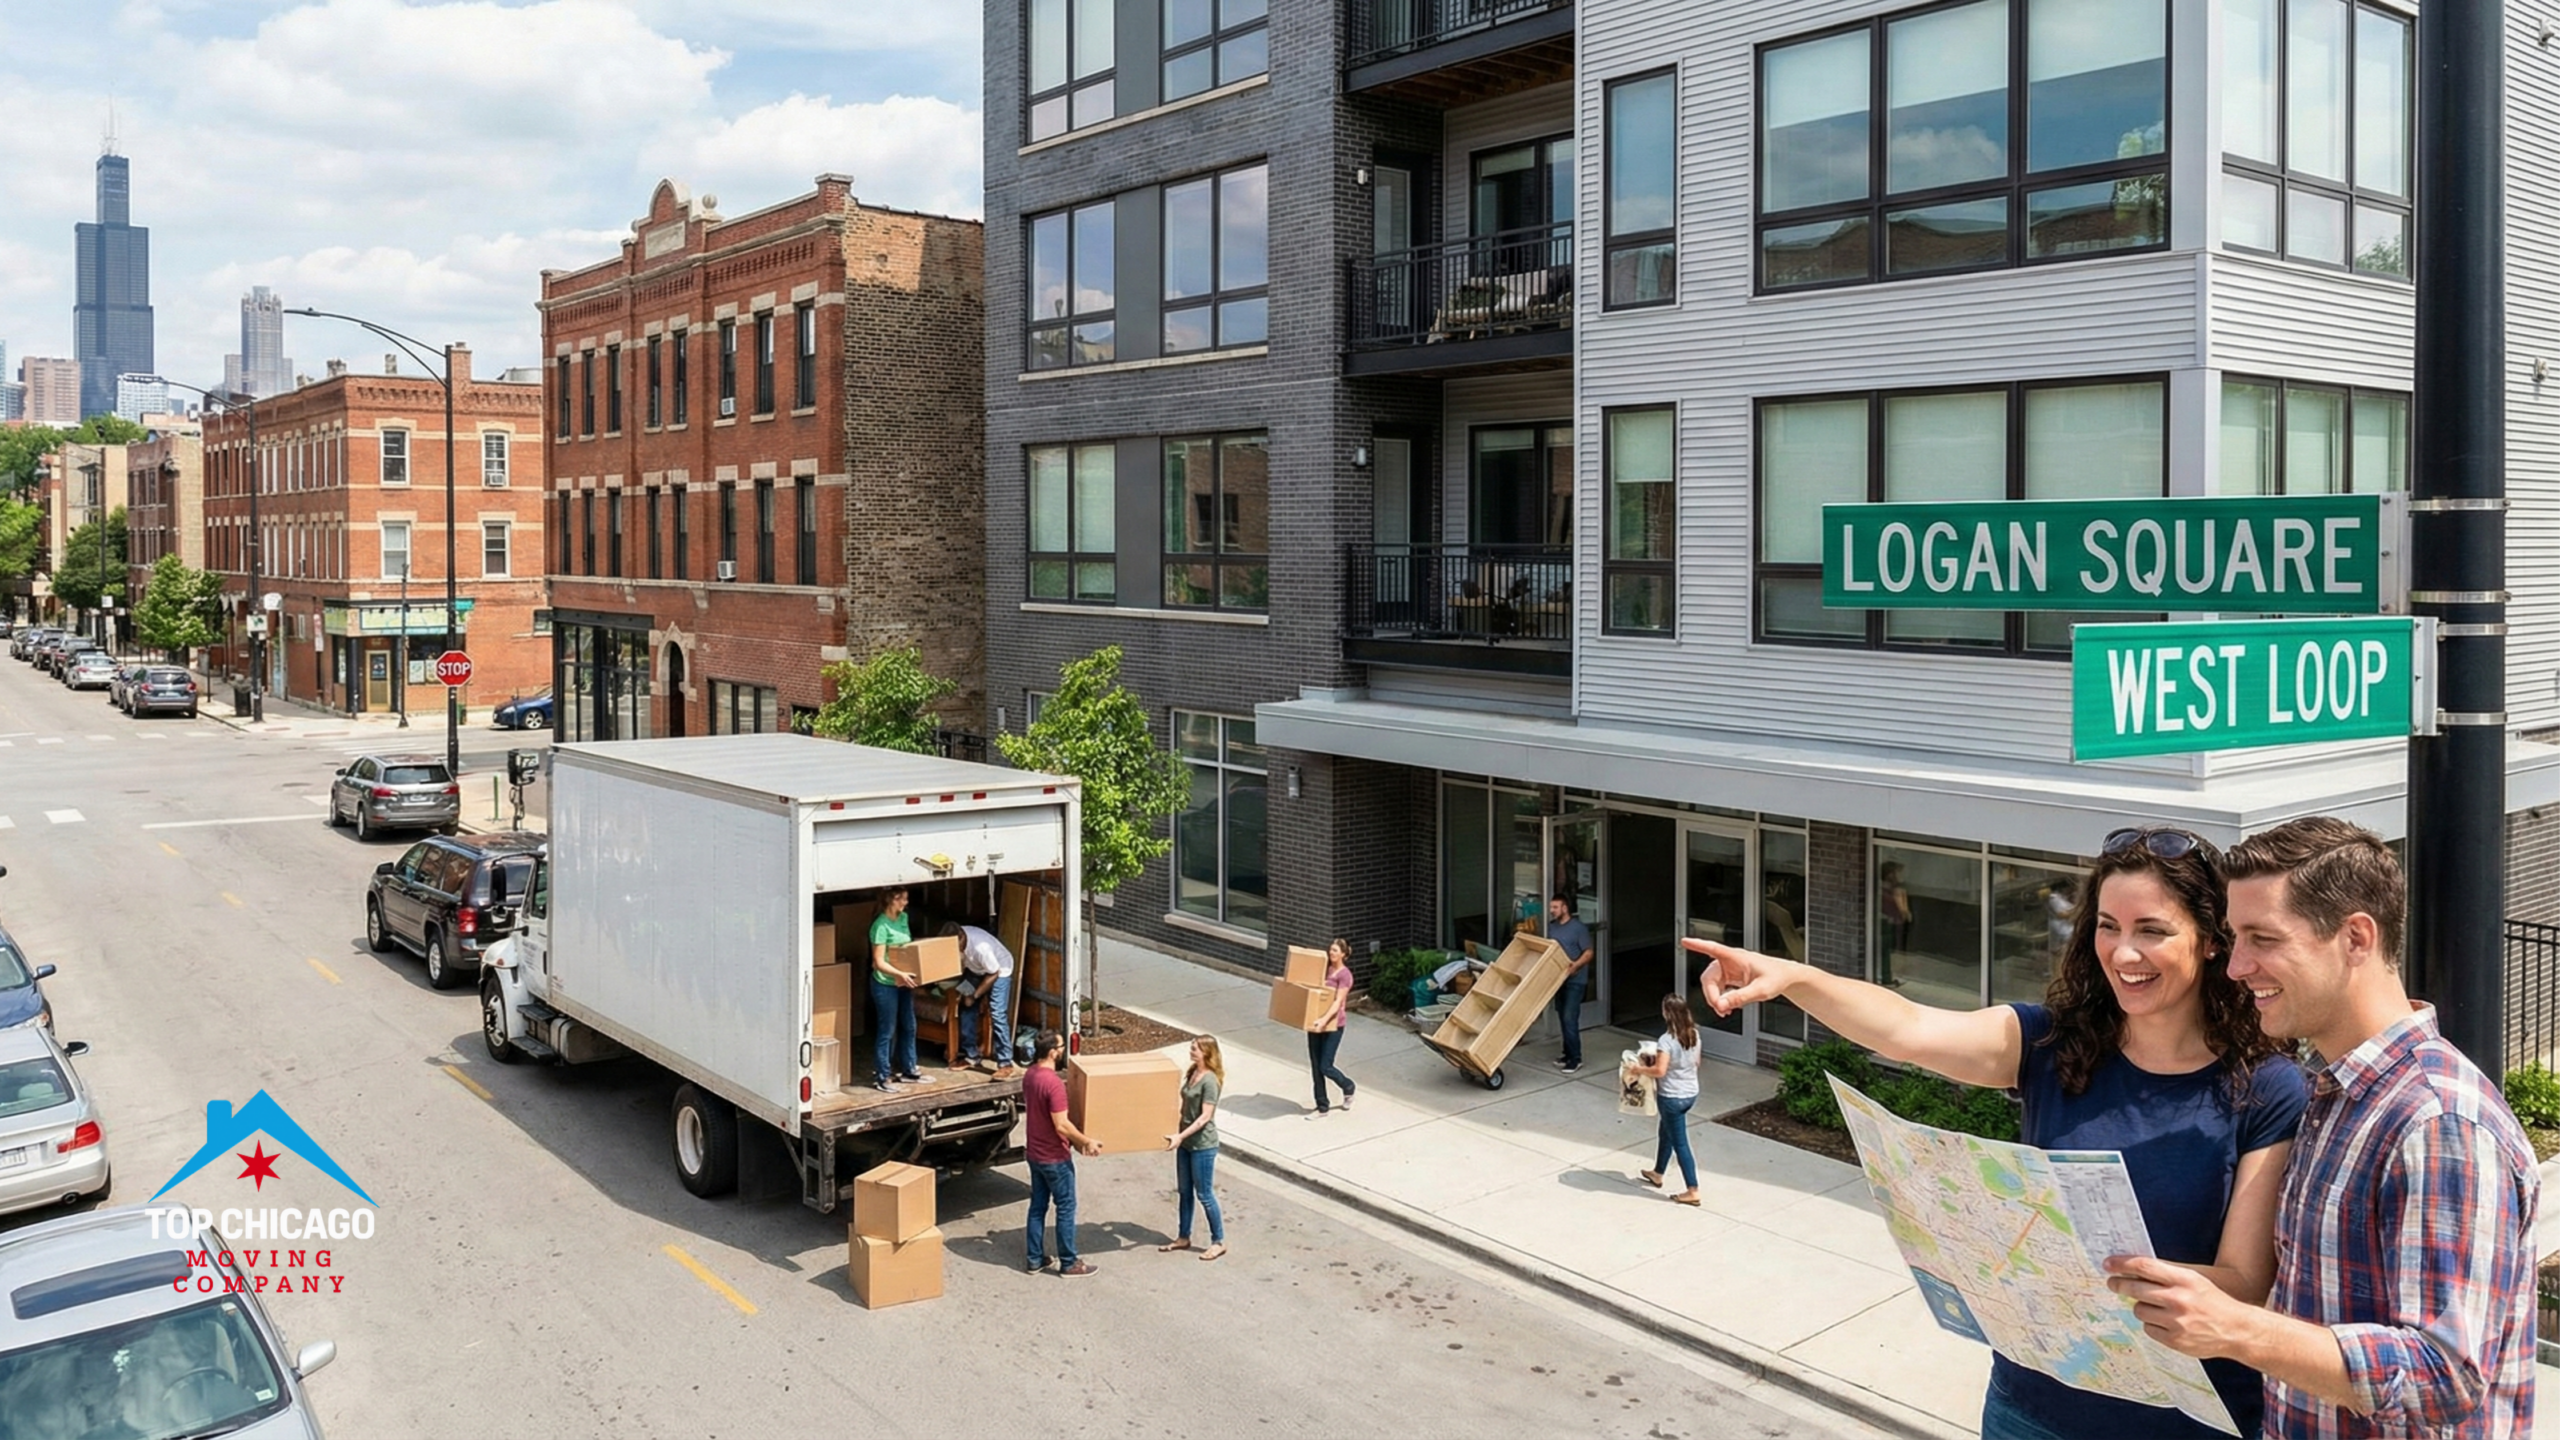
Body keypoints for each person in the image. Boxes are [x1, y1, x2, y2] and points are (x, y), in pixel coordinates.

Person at [1691, 827, 2308, 1440]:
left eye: (2152, 930)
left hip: (2183, 1424)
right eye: (2108, 926)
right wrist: (1793, 978)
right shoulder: (2051, 1043)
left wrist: (2098, 1279)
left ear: (2207, 941)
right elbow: (1907, 1029)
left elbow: (2244, 1283)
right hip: (2028, 1409)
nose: (2123, 953)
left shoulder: (2267, 1088)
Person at [2105, 818, 2539, 1440]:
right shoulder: (2334, 1090)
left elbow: (2445, 1374)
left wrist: (2236, 1329)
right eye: (2233, 937)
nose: (2236, 966)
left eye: (2262, 938)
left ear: (2355, 936)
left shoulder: (2439, 1122)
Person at [1022, 1029, 1101, 1276]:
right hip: (1054, 1157)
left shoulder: (1030, 1074)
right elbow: (1062, 1125)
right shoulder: (1053, 1083)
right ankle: (1069, 1262)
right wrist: (1086, 1141)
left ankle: (1034, 1259)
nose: (1063, 1050)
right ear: (1053, 1052)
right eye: (1061, 1046)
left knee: (1037, 1206)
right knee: (1066, 1207)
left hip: (1034, 1153)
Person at [1631, 995, 1703, 1207]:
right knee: (1666, 1132)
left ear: (1667, 1013)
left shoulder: (1667, 1040)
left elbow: (1660, 1071)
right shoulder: (1694, 1034)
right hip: (1690, 1093)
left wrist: (1639, 1069)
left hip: (1672, 1097)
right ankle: (1657, 1172)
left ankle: (1693, 1190)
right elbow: (1696, 1062)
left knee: (1680, 1144)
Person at [1162, 1035, 1228, 1261]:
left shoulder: (1210, 1081)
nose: (1192, 1051)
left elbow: (1204, 1118)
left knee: (1205, 1194)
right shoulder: (1192, 1073)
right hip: (1185, 1142)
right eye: (1192, 1047)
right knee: (1184, 1192)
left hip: (1202, 1145)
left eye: (1196, 1048)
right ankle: (1183, 1236)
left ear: (1207, 1052)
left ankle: (1218, 1241)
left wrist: (1180, 1136)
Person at [944, 920, 1018, 1077]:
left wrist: (975, 995)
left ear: (961, 938)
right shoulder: (951, 940)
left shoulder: (980, 948)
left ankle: (1005, 1062)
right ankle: (972, 1055)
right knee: (965, 1006)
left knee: (997, 1013)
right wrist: (964, 992)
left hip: (999, 970)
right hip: (975, 970)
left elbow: (994, 972)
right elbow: (961, 967)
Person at [867, 888, 921, 1092]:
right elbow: (878, 962)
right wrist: (899, 974)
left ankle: (909, 1068)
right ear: (892, 900)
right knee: (887, 1030)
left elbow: (905, 949)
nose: (906, 903)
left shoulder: (903, 918)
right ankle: (882, 1075)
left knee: (909, 1025)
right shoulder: (880, 926)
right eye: (903, 899)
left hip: (903, 982)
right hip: (885, 983)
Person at [1307, 938, 1357, 1118]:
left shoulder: (1345, 975)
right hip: (1315, 1022)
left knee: (1325, 1066)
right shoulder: (1324, 968)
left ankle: (1348, 1086)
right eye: (1331, 949)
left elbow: (1338, 1002)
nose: (1332, 953)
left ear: (1343, 954)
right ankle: (1322, 1107)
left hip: (1334, 1024)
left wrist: (1323, 1020)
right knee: (1315, 1066)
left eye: (1335, 950)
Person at [1545, 895, 1595, 1073]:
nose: (1552, 910)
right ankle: (1567, 1053)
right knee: (1562, 1016)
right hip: (1559, 980)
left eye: (1555, 907)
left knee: (1569, 1017)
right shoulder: (1551, 927)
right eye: (1551, 907)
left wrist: (1576, 965)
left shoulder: (1578, 928)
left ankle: (1575, 1058)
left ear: (1565, 908)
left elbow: (1588, 953)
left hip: (1576, 980)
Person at [1877, 861, 1912, 988]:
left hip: (1887, 921)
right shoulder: (1894, 890)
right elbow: (1902, 910)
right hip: (1890, 922)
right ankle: (1888, 977)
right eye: (1898, 872)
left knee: (1888, 951)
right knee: (1890, 950)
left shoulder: (1883, 888)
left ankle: (1887, 975)